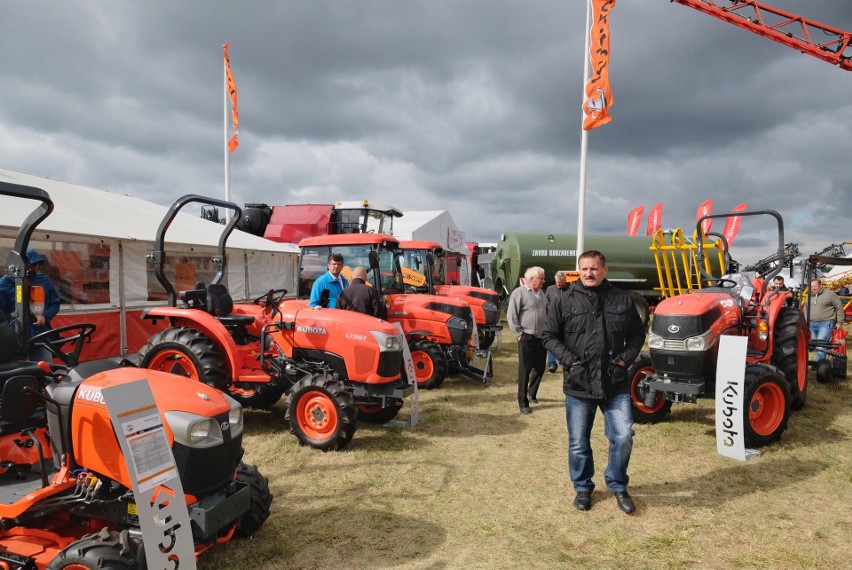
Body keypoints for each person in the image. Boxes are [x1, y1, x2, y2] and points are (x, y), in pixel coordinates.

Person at [542, 250, 645, 514]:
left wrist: (625, 360)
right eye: (584, 269)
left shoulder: (621, 299)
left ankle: (618, 484)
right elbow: (549, 336)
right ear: (579, 270)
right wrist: (570, 361)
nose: (589, 273)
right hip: (579, 384)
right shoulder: (564, 300)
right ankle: (583, 488)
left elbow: (636, 334)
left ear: (605, 270)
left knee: (623, 436)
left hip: (615, 383)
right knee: (578, 442)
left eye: (595, 269)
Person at [0, 248, 61, 362]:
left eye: (37, 265)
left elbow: (54, 303)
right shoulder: (4, 284)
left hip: (40, 336)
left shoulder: (43, 280)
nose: (36, 268)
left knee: (45, 369)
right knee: (19, 373)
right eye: (33, 265)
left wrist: (45, 316)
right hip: (14, 339)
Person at [506, 266, 547, 415]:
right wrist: (518, 333)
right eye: (541, 278)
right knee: (525, 369)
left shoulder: (542, 294)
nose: (543, 281)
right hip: (526, 336)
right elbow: (511, 315)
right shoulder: (519, 293)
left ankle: (532, 393)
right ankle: (523, 402)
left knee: (540, 367)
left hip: (540, 337)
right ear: (531, 279)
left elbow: (546, 312)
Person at [808, 278, 844, 361]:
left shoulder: (830, 294)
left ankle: (820, 365)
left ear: (820, 285)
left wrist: (839, 322)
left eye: (815, 286)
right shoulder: (809, 296)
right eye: (811, 287)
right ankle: (820, 363)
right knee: (814, 345)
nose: (813, 288)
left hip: (825, 323)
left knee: (821, 345)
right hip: (812, 324)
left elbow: (839, 307)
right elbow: (806, 309)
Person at [545, 271, 569, 373]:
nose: (558, 284)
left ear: (565, 281)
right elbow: (545, 303)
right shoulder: (550, 289)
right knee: (551, 341)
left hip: (566, 322)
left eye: (560, 282)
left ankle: (564, 362)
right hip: (552, 320)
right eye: (557, 282)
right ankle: (552, 364)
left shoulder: (571, 290)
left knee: (564, 343)